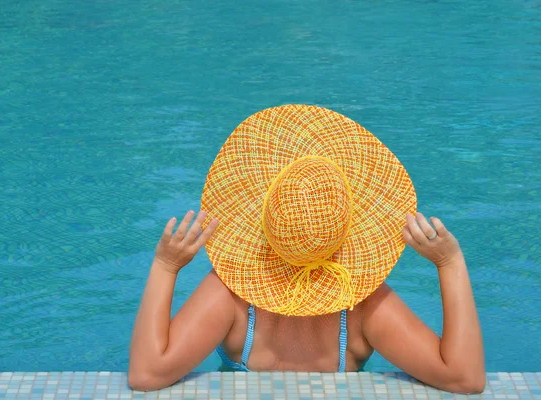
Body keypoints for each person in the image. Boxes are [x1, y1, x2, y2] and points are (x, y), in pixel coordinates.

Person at [128, 105, 485, 393]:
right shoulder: (362, 308)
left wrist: (165, 266)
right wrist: (449, 263)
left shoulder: (231, 298)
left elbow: (146, 376)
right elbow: (464, 378)